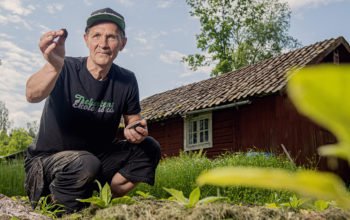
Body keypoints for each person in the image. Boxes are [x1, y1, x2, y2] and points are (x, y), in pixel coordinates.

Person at [24, 7, 161, 213]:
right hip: (47, 163)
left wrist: (136, 131)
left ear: (122, 43)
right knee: (85, 162)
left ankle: (100, 197)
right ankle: (58, 207)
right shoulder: (65, 66)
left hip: (94, 162)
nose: (103, 44)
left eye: (111, 37)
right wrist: (53, 66)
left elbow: (135, 122)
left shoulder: (127, 79)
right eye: (97, 36)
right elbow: (32, 95)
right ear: (86, 39)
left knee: (149, 148)